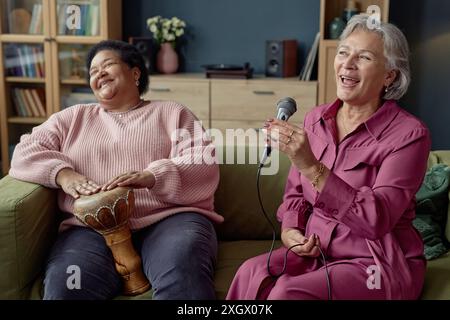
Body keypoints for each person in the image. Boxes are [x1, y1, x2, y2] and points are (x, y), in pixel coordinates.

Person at [226, 14, 431, 300]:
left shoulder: (409, 135)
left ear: (389, 75)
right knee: (251, 272)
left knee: (287, 293)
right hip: (317, 251)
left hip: (375, 262)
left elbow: (376, 220)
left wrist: (311, 166)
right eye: (343, 53)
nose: (347, 64)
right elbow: (295, 196)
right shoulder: (315, 119)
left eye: (364, 57)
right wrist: (290, 232)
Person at [9, 40, 223, 300]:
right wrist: (63, 174)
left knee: (182, 267)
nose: (99, 73)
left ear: (135, 73)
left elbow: (202, 161)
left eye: (107, 64)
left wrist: (153, 176)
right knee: (68, 283)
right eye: (93, 71)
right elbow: (24, 150)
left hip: (169, 220)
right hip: (88, 230)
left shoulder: (171, 112)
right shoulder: (72, 118)